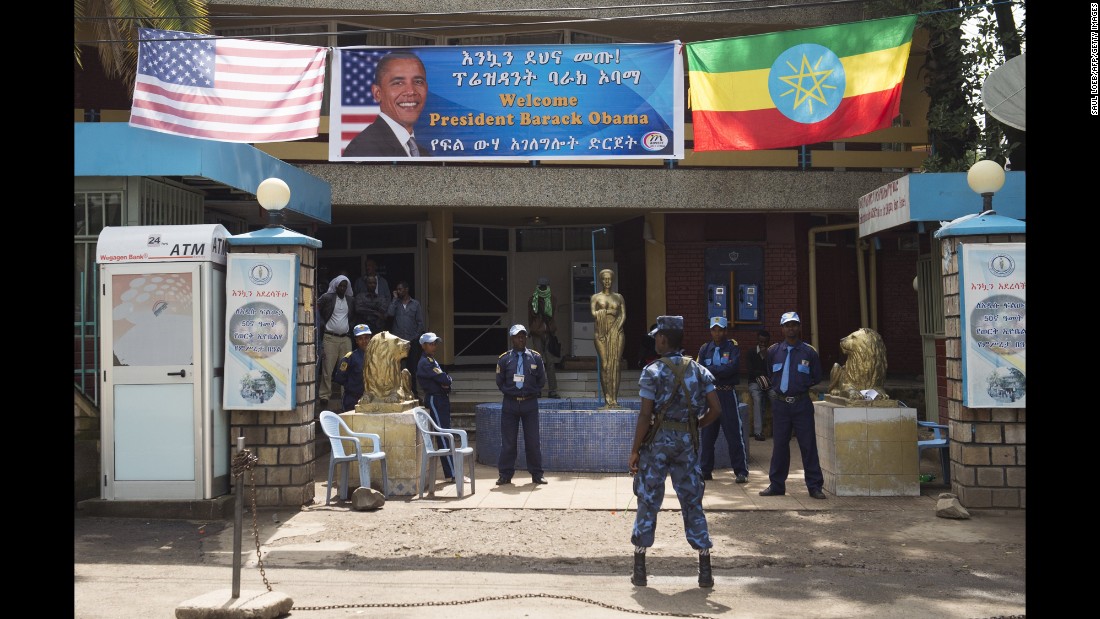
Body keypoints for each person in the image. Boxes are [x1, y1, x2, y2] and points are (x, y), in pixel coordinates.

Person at [628, 315, 721, 589]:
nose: (655, 339)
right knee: (692, 501)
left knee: (648, 500)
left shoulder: (652, 372)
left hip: (656, 444)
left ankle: (640, 570)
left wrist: (634, 451)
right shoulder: (699, 370)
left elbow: (645, 416)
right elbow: (716, 409)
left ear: (664, 339)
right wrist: (695, 425)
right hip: (686, 444)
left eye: (657, 335)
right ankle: (705, 570)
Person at [759, 312, 827, 500]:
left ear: (799, 327)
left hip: (801, 403)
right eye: (787, 325)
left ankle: (814, 486)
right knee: (779, 445)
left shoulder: (808, 352)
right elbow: (770, 373)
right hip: (780, 405)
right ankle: (776, 485)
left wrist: (799, 387)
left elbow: (817, 376)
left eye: (794, 325)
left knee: (808, 445)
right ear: (782, 328)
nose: (791, 328)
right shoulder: (774, 351)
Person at [343, 51, 431, 158]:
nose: (411, 91)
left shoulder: (423, 153)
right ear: (377, 93)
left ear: (426, 88)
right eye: (398, 83)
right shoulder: (364, 149)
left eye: (418, 82)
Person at [696, 316, 750, 483]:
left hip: (727, 394)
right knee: (707, 435)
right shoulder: (705, 349)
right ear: (711, 331)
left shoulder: (732, 348)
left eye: (720, 330)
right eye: (714, 329)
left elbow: (732, 368)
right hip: (710, 395)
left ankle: (741, 472)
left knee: (734, 434)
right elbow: (700, 370)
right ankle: (705, 470)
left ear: (725, 331)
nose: (717, 333)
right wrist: (719, 370)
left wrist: (711, 370)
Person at [495, 324, 548, 486]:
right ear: (512, 338)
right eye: (518, 336)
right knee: (509, 442)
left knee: (533, 441)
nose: (521, 339)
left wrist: (531, 392)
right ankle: (505, 474)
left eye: (523, 336)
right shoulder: (505, 359)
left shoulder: (535, 357)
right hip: (510, 404)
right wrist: (511, 392)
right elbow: (500, 381)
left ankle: (537, 474)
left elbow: (542, 380)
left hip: (530, 404)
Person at [417, 332, 457, 481]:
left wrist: (446, 381)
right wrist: (446, 380)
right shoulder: (425, 362)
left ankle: (452, 471)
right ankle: (451, 473)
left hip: (442, 399)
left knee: (447, 434)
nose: (434, 346)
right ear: (423, 345)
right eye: (431, 343)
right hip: (435, 399)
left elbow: (446, 381)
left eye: (435, 343)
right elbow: (444, 378)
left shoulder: (432, 360)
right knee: (443, 435)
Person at [317, 275, 355, 406]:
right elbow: (316, 308)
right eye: (341, 286)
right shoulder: (328, 297)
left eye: (345, 286)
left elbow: (353, 315)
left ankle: (346, 394)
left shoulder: (350, 300)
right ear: (336, 286)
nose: (343, 288)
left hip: (345, 339)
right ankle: (324, 395)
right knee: (328, 368)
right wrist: (321, 323)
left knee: (346, 367)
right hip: (330, 338)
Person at [590, 268, 625, 407]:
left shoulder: (619, 297)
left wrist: (617, 327)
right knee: (605, 365)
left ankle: (615, 399)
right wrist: (608, 312)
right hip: (601, 333)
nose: (607, 281)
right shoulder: (596, 297)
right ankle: (607, 398)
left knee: (616, 364)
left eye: (609, 279)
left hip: (617, 332)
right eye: (605, 279)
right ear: (601, 280)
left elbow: (623, 314)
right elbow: (593, 313)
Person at [387, 281, 426, 399]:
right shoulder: (396, 303)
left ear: (406, 289)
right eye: (397, 290)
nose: (398, 291)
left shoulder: (415, 304)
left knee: (412, 369)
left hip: (411, 342)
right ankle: (398, 393)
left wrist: (414, 337)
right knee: (398, 368)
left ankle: (413, 393)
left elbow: (420, 323)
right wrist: (394, 299)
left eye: (400, 289)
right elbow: (389, 313)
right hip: (398, 343)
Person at [527, 275, 559, 399]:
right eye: (541, 286)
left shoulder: (552, 299)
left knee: (550, 362)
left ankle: (552, 390)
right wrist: (532, 329)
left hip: (549, 333)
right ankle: (537, 389)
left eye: (545, 286)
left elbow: (550, 315)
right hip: (537, 333)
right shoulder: (532, 300)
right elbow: (531, 316)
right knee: (537, 361)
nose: (543, 289)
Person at [331, 324, 373, 412]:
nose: (364, 341)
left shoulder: (376, 357)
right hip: (353, 400)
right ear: (356, 340)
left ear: (370, 338)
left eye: (366, 338)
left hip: (372, 399)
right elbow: (339, 378)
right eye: (360, 339)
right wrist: (352, 385)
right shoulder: (350, 357)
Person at [746, 329, 771, 441]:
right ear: (757, 340)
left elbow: (772, 371)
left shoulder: (771, 354)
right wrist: (762, 375)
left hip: (768, 383)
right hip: (754, 383)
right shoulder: (751, 352)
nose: (763, 344)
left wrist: (766, 357)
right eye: (761, 342)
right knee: (757, 399)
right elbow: (750, 371)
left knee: (776, 397)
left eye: (765, 342)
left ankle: (780, 429)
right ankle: (758, 432)